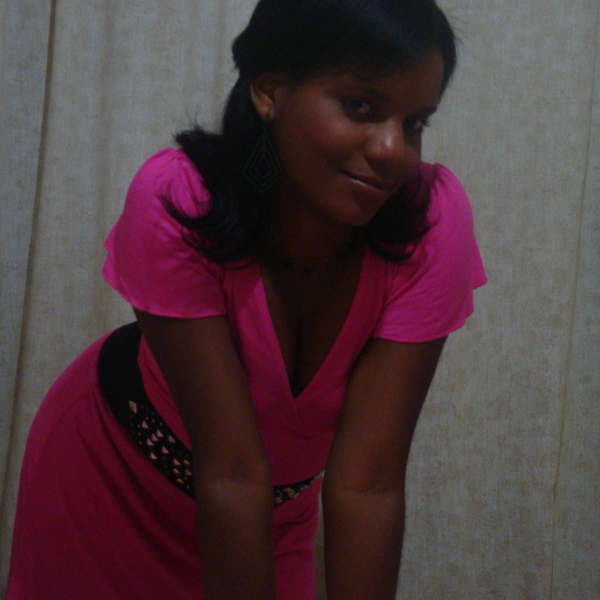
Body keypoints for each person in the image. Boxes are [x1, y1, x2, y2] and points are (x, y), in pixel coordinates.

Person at [7, 0, 486, 599]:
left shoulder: (429, 222)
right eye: (360, 107)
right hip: (111, 479)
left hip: (275, 514)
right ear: (269, 89)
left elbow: (368, 483)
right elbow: (231, 470)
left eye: (415, 122)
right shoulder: (180, 199)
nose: (393, 149)